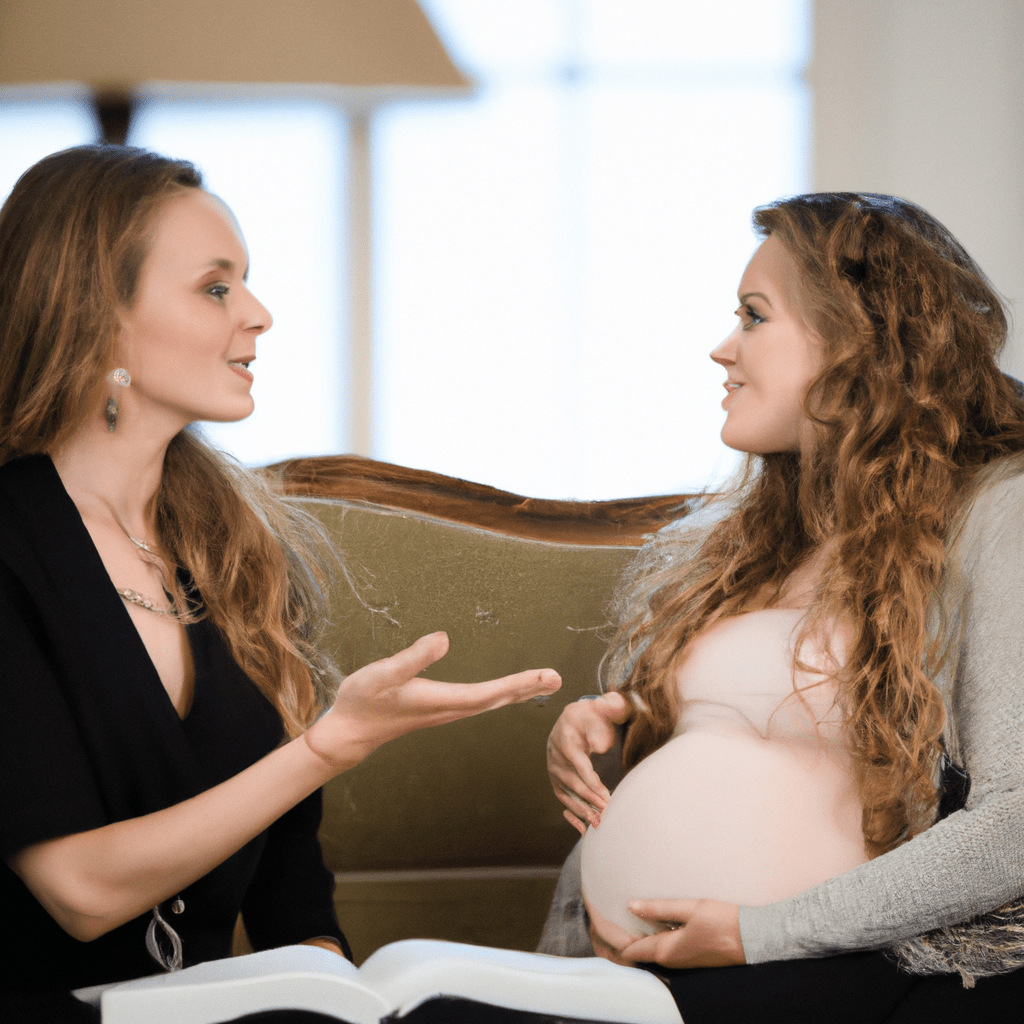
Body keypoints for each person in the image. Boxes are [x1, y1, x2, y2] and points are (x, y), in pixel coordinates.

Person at [0, 144, 561, 1023]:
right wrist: (328, 748)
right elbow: (79, 889)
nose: (258, 314)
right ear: (98, 314)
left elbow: (289, 882)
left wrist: (336, 983)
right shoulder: (9, 543)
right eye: (216, 288)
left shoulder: (236, 548)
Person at [544, 192, 1024, 1022]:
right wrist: (620, 718)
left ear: (858, 341)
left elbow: (1014, 824)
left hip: (837, 970)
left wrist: (760, 931)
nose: (722, 348)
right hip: (649, 968)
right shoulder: (759, 535)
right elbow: (782, 727)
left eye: (753, 316)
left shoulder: (996, 513)